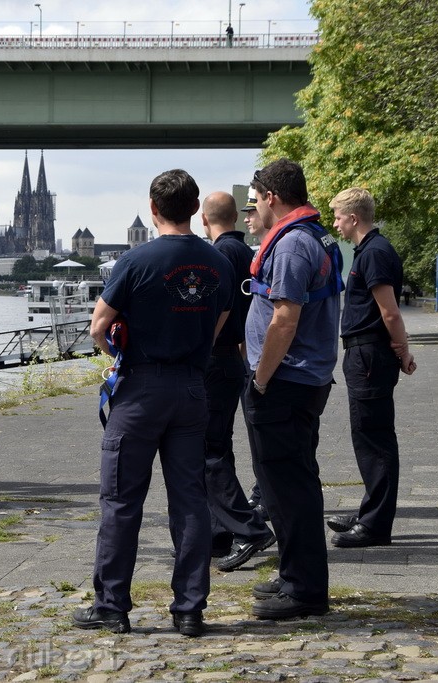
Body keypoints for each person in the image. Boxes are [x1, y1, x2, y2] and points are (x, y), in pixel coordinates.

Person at [72, 169, 233, 637]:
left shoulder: (136, 261)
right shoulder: (219, 263)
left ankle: (113, 605)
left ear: (153, 208)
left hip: (141, 389)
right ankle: (189, 608)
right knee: (190, 500)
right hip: (191, 389)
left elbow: (98, 325)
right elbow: (220, 324)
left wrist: (117, 356)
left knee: (121, 499)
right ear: (195, 208)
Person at [243, 159, 343, 620]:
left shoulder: (292, 247)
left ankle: (304, 592)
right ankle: (293, 575)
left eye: (256, 198)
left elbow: (284, 320)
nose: (255, 208)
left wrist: (260, 379)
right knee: (287, 483)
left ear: (271, 197)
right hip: (305, 378)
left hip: (284, 382)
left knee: (288, 488)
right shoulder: (318, 236)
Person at [327, 187, 417, 548]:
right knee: (368, 436)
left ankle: (376, 525)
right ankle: (371, 512)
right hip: (365, 354)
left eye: (337, 216)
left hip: (368, 355)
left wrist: (403, 349)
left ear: (353, 218)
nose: (335, 223)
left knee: (373, 438)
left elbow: (390, 311)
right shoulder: (370, 250)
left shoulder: (375, 253)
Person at [199, 191, 275, 571]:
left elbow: (216, 311)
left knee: (208, 453)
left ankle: (249, 527)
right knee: (218, 447)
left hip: (215, 360)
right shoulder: (250, 254)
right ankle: (219, 532)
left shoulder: (217, 257)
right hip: (238, 360)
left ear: (203, 218)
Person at [239, 187, 269, 520]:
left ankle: (267, 499)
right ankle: (263, 493)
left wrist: (261, 374)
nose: (247, 216)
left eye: (252, 210)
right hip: (257, 361)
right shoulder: (262, 251)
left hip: (268, 367)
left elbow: (284, 318)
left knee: (269, 443)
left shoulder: (280, 250)